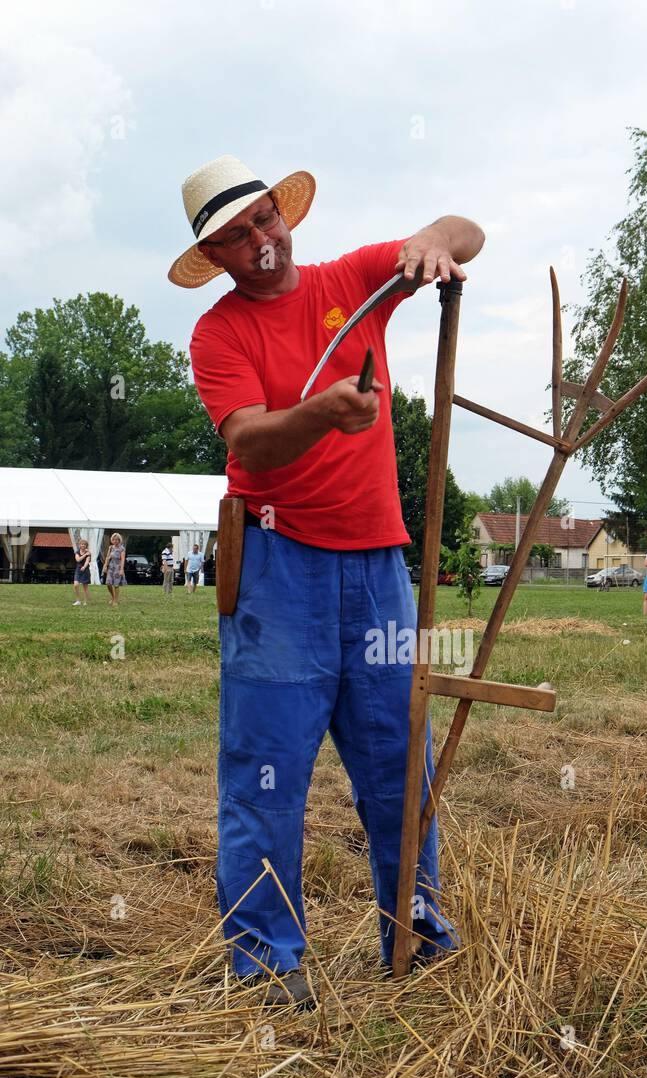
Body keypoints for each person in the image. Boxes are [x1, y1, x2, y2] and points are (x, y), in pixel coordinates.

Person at [171, 154, 484, 1008]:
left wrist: (430, 240)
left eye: (265, 219)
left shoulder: (354, 279)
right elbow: (250, 443)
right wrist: (324, 414)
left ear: (285, 215)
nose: (260, 242)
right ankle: (271, 967)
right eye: (237, 237)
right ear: (219, 258)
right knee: (265, 775)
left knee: (399, 768)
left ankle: (417, 940)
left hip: (381, 569)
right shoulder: (219, 334)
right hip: (278, 571)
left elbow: (470, 234)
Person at [103, 532, 126, 606]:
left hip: (118, 567)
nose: (115, 541)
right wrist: (105, 566)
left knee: (116, 585)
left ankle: (115, 600)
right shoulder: (111, 547)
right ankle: (113, 597)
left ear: (119, 540)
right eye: (114, 539)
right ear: (112, 540)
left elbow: (122, 559)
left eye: (117, 540)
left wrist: (121, 569)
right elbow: (107, 557)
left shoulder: (122, 549)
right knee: (108, 583)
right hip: (111, 566)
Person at [72, 539, 91, 606]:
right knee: (76, 585)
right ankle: (78, 600)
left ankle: (85, 601)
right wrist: (85, 554)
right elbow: (78, 559)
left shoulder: (89, 553)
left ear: (86, 546)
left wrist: (84, 567)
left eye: (84, 544)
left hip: (85, 570)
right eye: (81, 544)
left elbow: (87, 561)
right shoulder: (77, 552)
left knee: (85, 587)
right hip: (78, 569)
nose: (83, 545)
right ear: (79, 545)